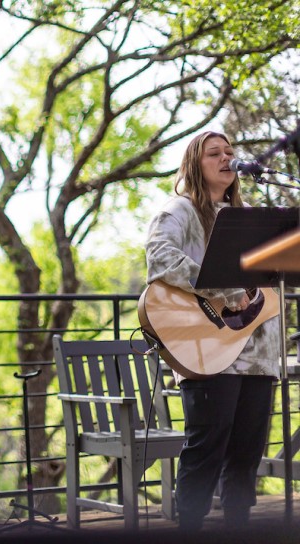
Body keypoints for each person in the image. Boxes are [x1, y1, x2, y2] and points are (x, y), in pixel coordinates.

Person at [145, 131, 279, 531]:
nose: (226, 158)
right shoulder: (180, 210)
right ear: (193, 164)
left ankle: (239, 530)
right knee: (206, 448)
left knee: (246, 454)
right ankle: (189, 529)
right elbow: (160, 256)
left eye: (230, 152)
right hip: (207, 345)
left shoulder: (248, 215)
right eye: (214, 153)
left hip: (258, 353)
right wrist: (223, 289)